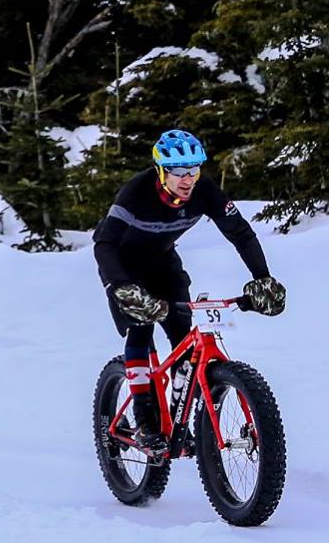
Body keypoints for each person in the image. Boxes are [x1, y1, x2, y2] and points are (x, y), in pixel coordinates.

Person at [94, 129, 284, 442]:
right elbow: (103, 245)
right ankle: (143, 417)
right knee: (141, 326)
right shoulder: (136, 192)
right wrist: (123, 286)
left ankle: (181, 413)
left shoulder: (204, 189)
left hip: (163, 261)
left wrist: (262, 276)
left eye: (194, 170)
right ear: (161, 171)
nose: (187, 179)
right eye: (179, 172)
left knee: (182, 333)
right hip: (122, 265)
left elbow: (240, 233)